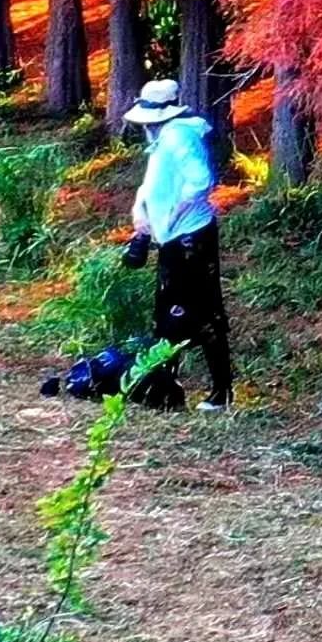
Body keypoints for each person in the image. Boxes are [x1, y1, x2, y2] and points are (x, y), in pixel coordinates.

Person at [122, 78, 233, 411]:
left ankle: (219, 392)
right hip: (173, 238)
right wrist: (140, 211)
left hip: (190, 238)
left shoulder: (179, 135)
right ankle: (166, 390)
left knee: (196, 312)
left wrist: (172, 214)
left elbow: (201, 180)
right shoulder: (164, 137)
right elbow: (154, 182)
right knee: (169, 312)